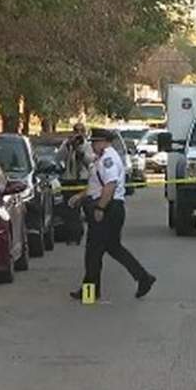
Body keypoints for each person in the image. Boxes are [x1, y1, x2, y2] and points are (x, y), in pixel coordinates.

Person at [67, 128, 156, 301]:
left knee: (94, 251)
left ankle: (90, 293)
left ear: (103, 142)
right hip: (109, 206)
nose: (92, 146)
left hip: (108, 208)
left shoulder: (108, 159)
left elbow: (110, 185)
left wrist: (100, 208)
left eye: (95, 142)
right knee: (111, 248)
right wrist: (81, 196)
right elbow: (97, 185)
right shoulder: (101, 158)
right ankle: (143, 277)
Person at [57, 123, 94, 244]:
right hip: (69, 179)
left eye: (81, 131)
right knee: (71, 210)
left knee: (87, 210)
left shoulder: (87, 145)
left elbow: (90, 161)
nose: (78, 133)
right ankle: (73, 236)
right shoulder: (67, 144)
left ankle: (91, 235)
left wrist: (80, 151)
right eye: (76, 131)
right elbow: (58, 157)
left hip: (83, 180)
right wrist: (68, 146)